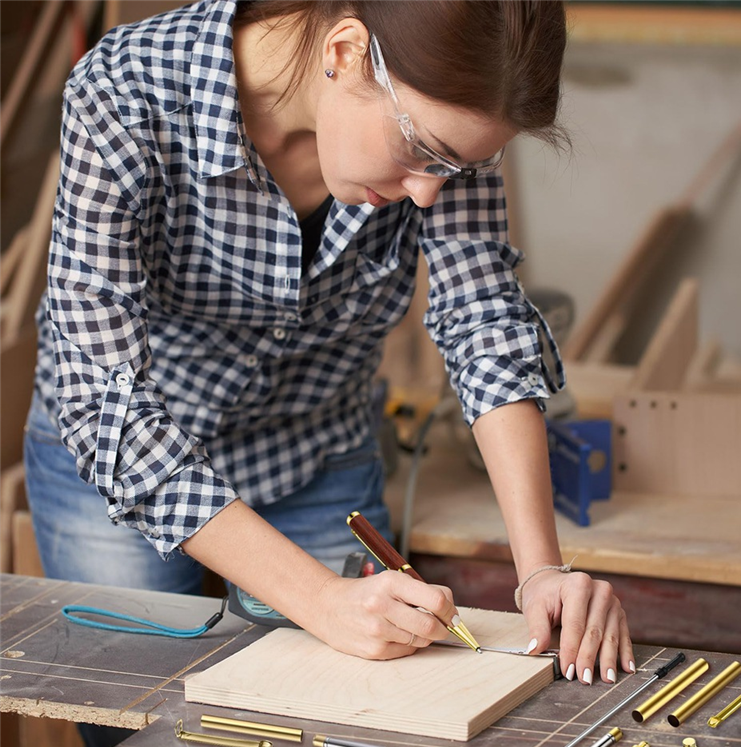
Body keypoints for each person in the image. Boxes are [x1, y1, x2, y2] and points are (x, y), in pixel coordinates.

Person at [26, 0, 633, 708]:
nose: (430, 194)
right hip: (128, 469)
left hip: (315, 459)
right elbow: (107, 404)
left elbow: (484, 324)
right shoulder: (127, 91)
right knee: (142, 733)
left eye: (459, 166)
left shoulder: (441, 117)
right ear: (346, 53)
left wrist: (541, 573)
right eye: (423, 153)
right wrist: (319, 600)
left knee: (353, 725)